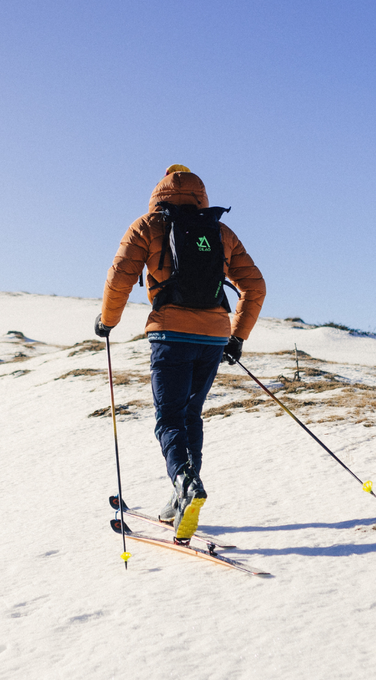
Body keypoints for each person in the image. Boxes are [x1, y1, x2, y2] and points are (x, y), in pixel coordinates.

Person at [94, 164, 265, 543]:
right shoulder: (220, 232)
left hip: (171, 332)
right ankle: (182, 493)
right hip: (214, 337)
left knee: (168, 418)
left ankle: (186, 485)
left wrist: (107, 322)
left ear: (159, 194)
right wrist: (236, 338)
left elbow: (120, 275)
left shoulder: (148, 226)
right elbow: (255, 286)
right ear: (200, 196)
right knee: (191, 415)